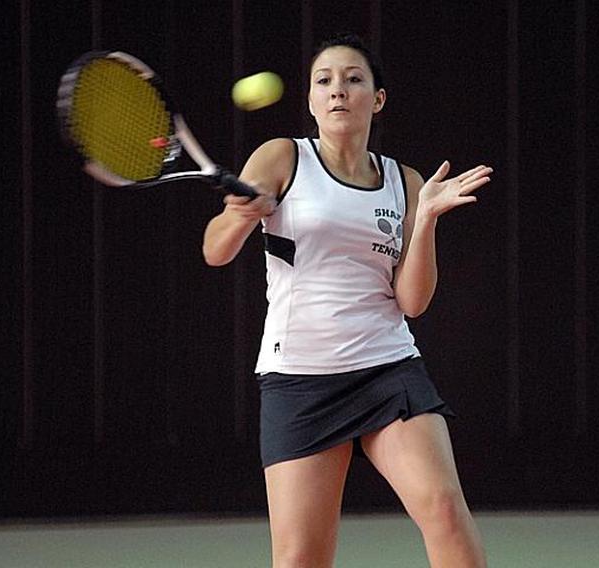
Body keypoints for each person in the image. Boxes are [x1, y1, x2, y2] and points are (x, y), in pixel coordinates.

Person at [202, 33, 491, 568]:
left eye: (354, 79)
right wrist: (241, 215)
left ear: (377, 99)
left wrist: (424, 218)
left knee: (446, 512)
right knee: (300, 560)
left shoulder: (405, 182)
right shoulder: (282, 157)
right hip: (300, 379)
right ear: (311, 101)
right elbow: (215, 251)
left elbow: (412, 301)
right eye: (324, 81)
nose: (339, 90)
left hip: (387, 369)